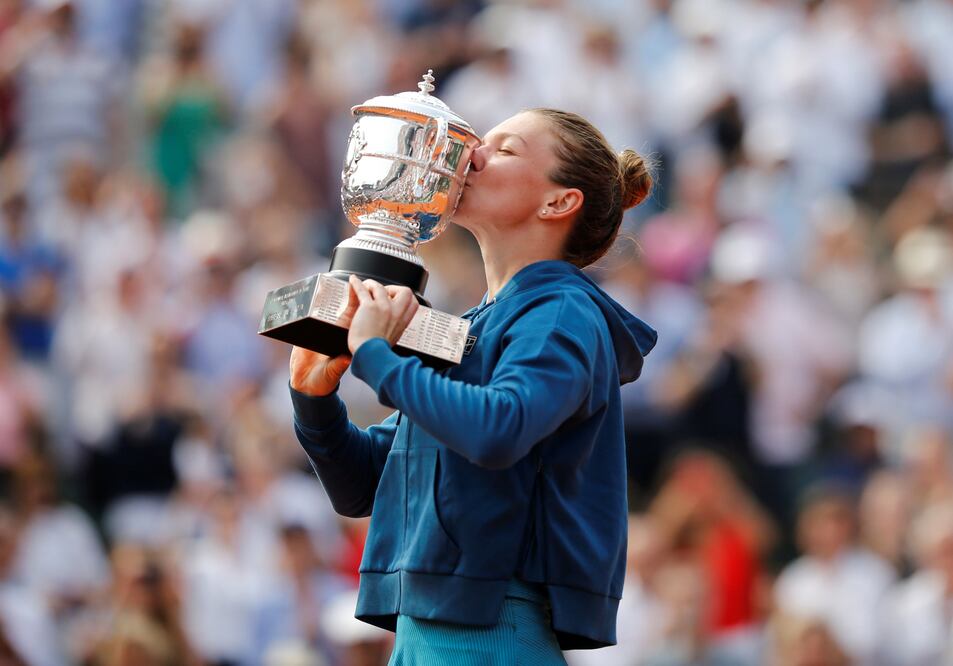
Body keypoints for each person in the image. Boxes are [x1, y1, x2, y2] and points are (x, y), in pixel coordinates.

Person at [288, 108, 657, 663]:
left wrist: (377, 356)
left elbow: (500, 428)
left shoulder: (561, 311)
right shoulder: (474, 325)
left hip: (488, 631)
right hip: (428, 629)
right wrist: (315, 402)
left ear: (559, 202)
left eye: (504, 150)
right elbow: (363, 486)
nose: (471, 156)